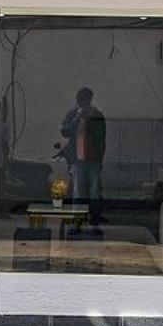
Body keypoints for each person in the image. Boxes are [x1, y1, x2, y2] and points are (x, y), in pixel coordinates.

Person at [59, 87, 108, 227]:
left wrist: (100, 159)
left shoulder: (96, 115)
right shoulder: (73, 114)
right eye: (82, 100)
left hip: (93, 158)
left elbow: (101, 138)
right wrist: (76, 119)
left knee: (94, 189)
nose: (84, 103)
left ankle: (94, 217)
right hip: (77, 158)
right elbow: (65, 132)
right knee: (78, 190)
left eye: (86, 100)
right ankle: (79, 217)